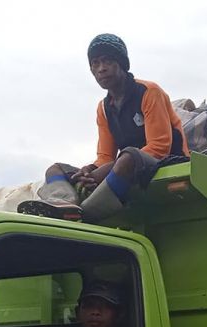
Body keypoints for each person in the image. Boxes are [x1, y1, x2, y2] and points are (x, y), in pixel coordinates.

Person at [19, 33, 189, 223]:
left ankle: (88, 214)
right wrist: (89, 170)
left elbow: (159, 148)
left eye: (107, 61)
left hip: (166, 162)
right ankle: (64, 205)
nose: (101, 69)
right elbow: (105, 158)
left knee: (127, 157)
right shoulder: (104, 108)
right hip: (125, 164)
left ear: (122, 64)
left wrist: (105, 170)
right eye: (95, 63)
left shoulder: (149, 92)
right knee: (55, 170)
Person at [61, 281, 133, 327]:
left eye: (106, 306)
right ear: (77, 312)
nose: (95, 312)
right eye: (89, 305)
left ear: (118, 314)